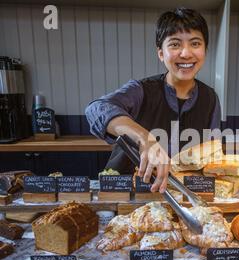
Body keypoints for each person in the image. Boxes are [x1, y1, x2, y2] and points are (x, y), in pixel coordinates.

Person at [85, 7, 221, 194]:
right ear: (160, 53)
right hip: (128, 193)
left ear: (205, 49)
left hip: (178, 194)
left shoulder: (210, 98)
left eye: (195, 43)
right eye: (175, 44)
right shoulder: (141, 90)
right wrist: (145, 139)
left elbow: (212, 153)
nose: (186, 53)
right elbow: (97, 108)